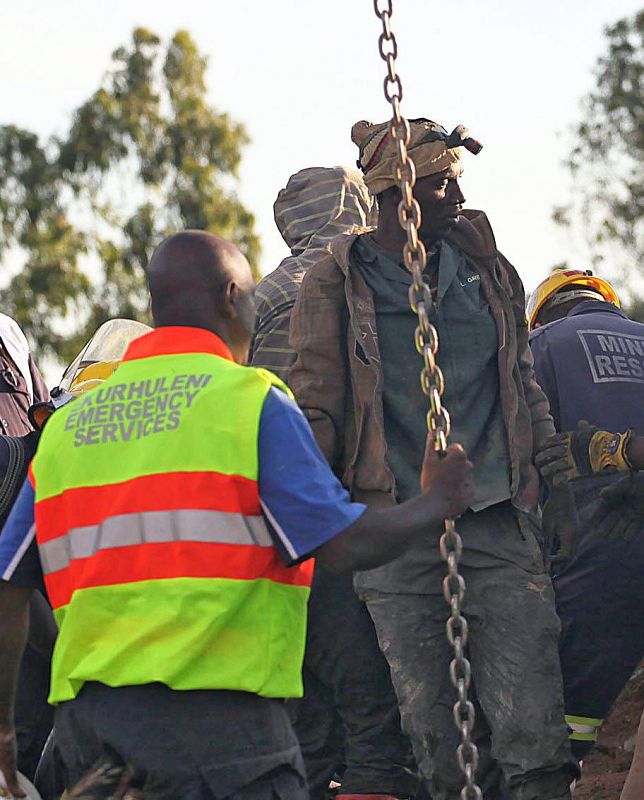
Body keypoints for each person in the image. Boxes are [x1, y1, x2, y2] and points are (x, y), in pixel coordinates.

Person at [0, 230, 475, 800]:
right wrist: (434, 504)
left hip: (91, 739)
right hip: (222, 738)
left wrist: (4, 724)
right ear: (230, 296)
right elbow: (343, 544)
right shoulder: (250, 401)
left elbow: (8, 585)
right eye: (251, 297)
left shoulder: (68, 430)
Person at [289, 118, 578, 800]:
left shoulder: (485, 269)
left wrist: (549, 487)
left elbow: (522, 383)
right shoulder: (335, 286)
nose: (458, 197)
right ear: (398, 195)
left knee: (533, 733)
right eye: (442, 183)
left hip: (499, 523)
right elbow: (317, 413)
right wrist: (320, 529)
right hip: (399, 538)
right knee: (438, 742)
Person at [251, 166, 417, 800]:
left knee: (307, 721)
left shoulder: (257, 298)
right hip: (357, 524)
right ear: (355, 206)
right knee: (374, 715)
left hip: (275, 536)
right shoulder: (365, 280)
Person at [527, 269, 644, 759]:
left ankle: (570, 773)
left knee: (576, 707)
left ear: (546, 311)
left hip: (588, 539)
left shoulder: (543, 343)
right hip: (633, 509)